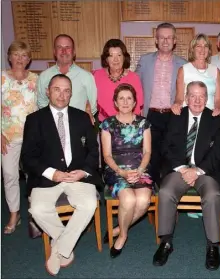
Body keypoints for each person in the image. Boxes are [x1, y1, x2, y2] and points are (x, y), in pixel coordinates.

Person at [21, 74, 101, 276]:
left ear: (71, 94)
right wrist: (52, 173)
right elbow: (27, 157)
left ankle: (61, 248)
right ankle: (65, 243)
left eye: (66, 90)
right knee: (37, 210)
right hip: (47, 177)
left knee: (90, 204)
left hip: (78, 176)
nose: (62, 94)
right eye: (57, 89)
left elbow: (94, 150)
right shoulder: (34, 120)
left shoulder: (82, 117)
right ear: (48, 91)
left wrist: (82, 171)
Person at [153, 81, 220, 270]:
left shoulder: (216, 119)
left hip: (204, 171)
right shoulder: (175, 116)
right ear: (185, 97)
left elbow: (218, 151)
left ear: (207, 99)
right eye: (192, 95)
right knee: (166, 191)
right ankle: (166, 242)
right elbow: (165, 146)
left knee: (212, 195)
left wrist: (197, 171)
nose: (197, 100)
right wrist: (182, 168)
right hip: (180, 169)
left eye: (201, 96)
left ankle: (212, 246)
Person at [100, 83, 153, 258]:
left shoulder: (144, 123)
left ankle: (117, 228)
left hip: (140, 168)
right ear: (115, 102)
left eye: (129, 98)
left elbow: (147, 151)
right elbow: (107, 155)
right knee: (129, 200)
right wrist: (121, 172)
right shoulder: (107, 124)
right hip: (116, 169)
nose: (125, 102)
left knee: (144, 200)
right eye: (121, 98)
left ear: (135, 102)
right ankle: (123, 235)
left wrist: (140, 170)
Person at [136, 22, 186, 185]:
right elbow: (134, 86)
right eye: (162, 37)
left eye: (169, 37)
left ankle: (169, 190)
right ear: (156, 40)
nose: (165, 41)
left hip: (174, 115)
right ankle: (152, 190)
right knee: (151, 154)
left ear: (175, 40)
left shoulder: (184, 64)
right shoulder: (144, 61)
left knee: (172, 154)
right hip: (150, 114)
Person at [1, 41, 38, 234]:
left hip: (31, 137)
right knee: (9, 175)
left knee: (33, 175)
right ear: (9, 57)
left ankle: (35, 213)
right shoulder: (1, 78)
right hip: (7, 137)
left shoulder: (35, 79)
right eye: (16, 54)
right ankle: (14, 213)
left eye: (24, 55)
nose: (20, 59)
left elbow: (40, 108)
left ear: (29, 59)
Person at [36, 34, 97, 124]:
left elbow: (93, 105)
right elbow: (41, 102)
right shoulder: (44, 76)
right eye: (59, 47)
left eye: (67, 47)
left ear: (74, 52)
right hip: (52, 126)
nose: (64, 51)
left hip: (78, 126)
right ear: (54, 52)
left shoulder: (86, 76)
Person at [172, 33, 220, 116]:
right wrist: (176, 105)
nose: (202, 49)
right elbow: (179, 97)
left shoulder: (215, 70)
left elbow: (218, 99)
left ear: (209, 50)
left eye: (205, 46)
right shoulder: (183, 70)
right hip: (189, 115)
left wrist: (218, 109)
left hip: (210, 116)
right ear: (193, 49)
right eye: (198, 46)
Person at [94, 39, 144, 123]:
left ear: (124, 57)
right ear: (106, 59)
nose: (115, 59)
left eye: (119, 55)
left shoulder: (134, 78)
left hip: (129, 124)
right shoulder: (96, 75)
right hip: (105, 124)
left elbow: (138, 105)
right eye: (111, 55)